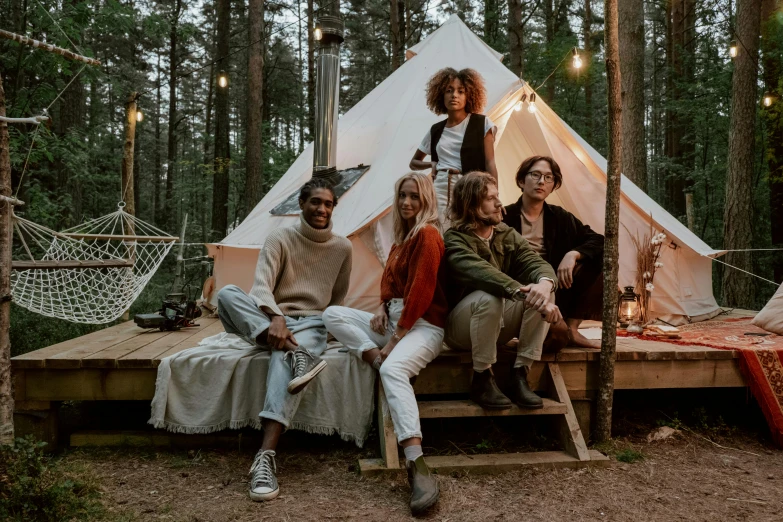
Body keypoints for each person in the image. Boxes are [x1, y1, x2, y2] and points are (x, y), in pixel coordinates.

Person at [215, 178, 352, 502]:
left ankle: (265, 457)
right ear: (301, 205)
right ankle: (299, 353)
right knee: (227, 294)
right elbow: (261, 286)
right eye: (316, 202)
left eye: (328, 203)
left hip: (311, 322)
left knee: (282, 362)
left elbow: (337, 298)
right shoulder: (280, 237)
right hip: (270, 318)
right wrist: (276, 318)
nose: (322, 208)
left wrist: (325, 326)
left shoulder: (343, 248)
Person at [323, 172, 446, 516]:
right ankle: (372, 357)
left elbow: (421, 293)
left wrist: (394, 341)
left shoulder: (428, 235)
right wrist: (380, 308)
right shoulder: (400, 240)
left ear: (426, 200)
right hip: (393, 321)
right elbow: (389, 284)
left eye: (414, 197)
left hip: (422, 326)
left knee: (393, 369)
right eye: (403, 196)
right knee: (333, 314)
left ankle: (417, 465)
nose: (407, 203)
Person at [442, 171, 561, 411]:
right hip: (459, 330)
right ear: (471, 205)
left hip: (497, 326)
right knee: (491, 296)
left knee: (544, 291)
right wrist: (530, 296)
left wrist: (545, 285)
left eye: (498, 196)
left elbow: (534, 262)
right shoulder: (454, 240)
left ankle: (520, 374)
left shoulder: (506, 234)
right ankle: (482, 377)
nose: (499, 204)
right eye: (490, 198)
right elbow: (486, 275)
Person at [503, 156, 604, 348]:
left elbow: (598, 240)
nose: (542, 181)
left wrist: (573, 254)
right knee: (556, 337)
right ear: (522, 181)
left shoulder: (559, 217)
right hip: (517, 289)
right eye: (536, 175)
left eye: (548, 178)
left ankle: (572, 328)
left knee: (598, 259)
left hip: (552, 286)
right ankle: (516, 335)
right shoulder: (505, 217)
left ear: (553, 185)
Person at [409, 67, 498, 218]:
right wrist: (431, 164)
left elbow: (490, 164)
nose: (454, 95)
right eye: (449, 90)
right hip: (441, 186)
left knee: (468, 230)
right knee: (440, 230)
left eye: (460, 91)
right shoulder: (436, 130)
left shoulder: (482, 123)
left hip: (471, 187)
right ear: (441, 95)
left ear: (468, 95)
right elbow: (414, 162)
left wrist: (495, 197)